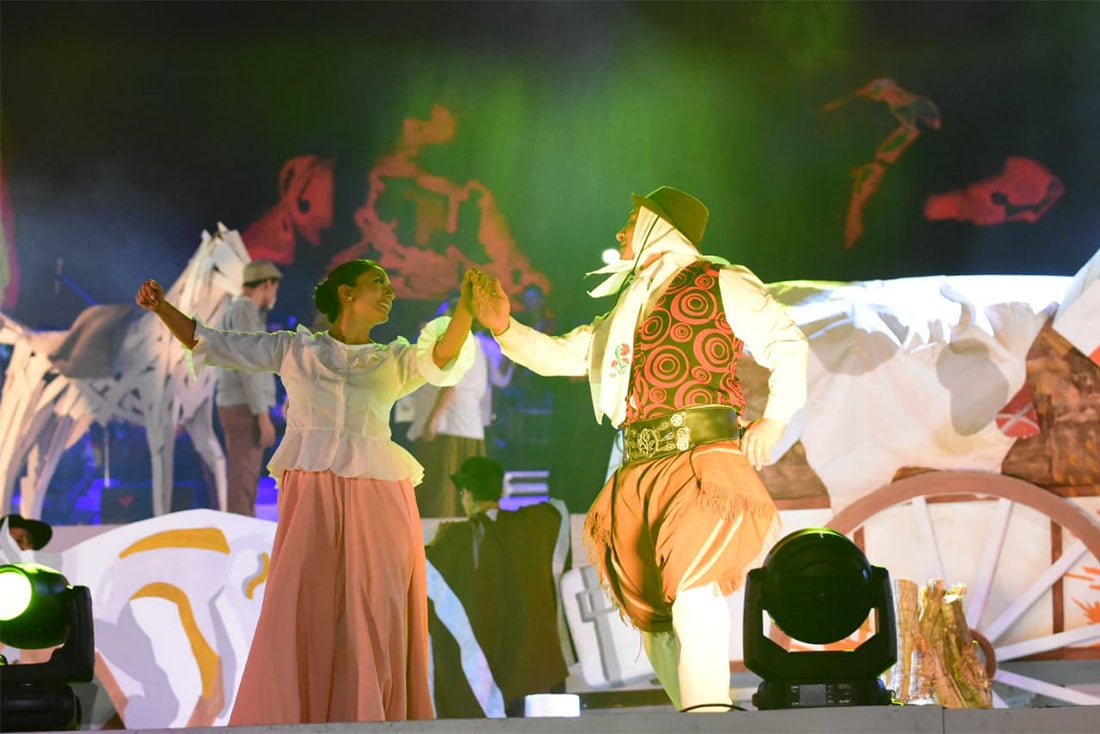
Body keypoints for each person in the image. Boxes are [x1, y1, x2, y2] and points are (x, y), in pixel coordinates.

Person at [470, 186, 809, 713]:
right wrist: (503, 328)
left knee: (694, 588)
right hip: (638, 468)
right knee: (654, 617)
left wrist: (776, 417)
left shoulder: (720, 281)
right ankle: (698, 713)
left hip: (700, 461)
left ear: (657, 224)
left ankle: (710, 717)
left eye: (630, 220)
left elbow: (787, 344)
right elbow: (564, 356)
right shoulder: (625, 310)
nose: (619, 232)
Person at [135, 259, 483, 724]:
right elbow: (213, 343)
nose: (389, 292)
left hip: (379, 498)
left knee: (374, 607)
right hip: (312, 493)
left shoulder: (393, 359)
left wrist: (466, 308)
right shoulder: (295, 350)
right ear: (346, 293)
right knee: (304, 604)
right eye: (377, 283)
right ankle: (303, 714)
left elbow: (441, 356)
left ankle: (372, 714)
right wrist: (162, 309)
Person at [424, 456, 570, 718]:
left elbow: (423, 578)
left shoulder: (454, 540)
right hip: (537, 667)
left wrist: (437, 542)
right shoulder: (532, 524)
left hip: (490, 668)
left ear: (465, 494)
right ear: (502, 490)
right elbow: (559, 510)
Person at [406, 299, 490, 517]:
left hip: (450, 427)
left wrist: (433, 418)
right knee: (460, 496)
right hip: (468, 426)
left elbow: (451, 385)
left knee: (442, 493)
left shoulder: (460, 342)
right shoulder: (476, 343)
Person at [215, 259, 283, 516]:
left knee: (245, 479)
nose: (274, 295)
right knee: (243, 479)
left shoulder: (242, 311)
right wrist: (262, 414)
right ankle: (239, 539)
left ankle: (240, 532)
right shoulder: (244, 312)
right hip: (243, 407)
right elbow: (249, 366)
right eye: (274, 288)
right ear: (267, 284)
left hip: (240, 404)